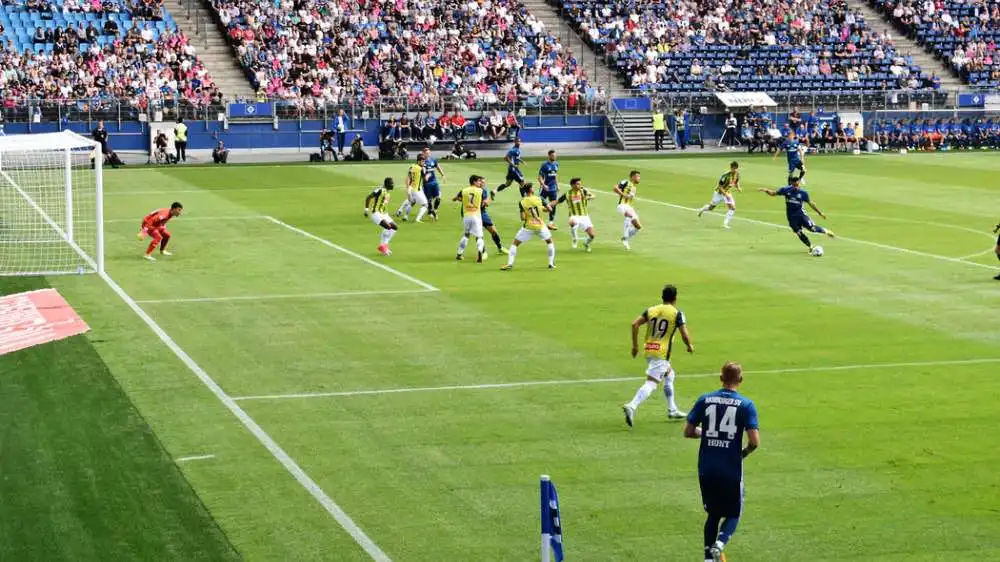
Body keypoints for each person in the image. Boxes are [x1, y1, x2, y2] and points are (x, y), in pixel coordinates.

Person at [684, 362, 759, 562]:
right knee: (735, 511)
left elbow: (688, 432)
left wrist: (706, 433)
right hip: (730, 468)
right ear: (740, 380)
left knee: (713, 514)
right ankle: (720, 543)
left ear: (720, 378)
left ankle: (709, 558)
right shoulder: (746, 405)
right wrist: (743, 453)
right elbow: (754, 441)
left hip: (706, 467)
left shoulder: (705, 399)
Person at [622, 283, 693, 426]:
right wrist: (689, 345)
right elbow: (684, 333)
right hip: (661, 353)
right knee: (652, 383)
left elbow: (635, 324)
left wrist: (635, 346)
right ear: (675, 298)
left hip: (649, 349)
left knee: (670, 374)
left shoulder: (652, 309)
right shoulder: (676, 313)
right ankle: (632, 406)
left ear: (662, 297)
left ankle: (672, 409)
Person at [758, 176, 836, 253]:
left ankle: (826, 231)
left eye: (797, 185)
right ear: (791, 183)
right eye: (794, 185)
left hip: (801, 215)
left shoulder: (803, 193)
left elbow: (811, 203)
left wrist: (820, 213)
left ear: (799, 183)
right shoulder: (785, 190)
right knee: (798, 232)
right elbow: (773, 193)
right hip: (791, 217)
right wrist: (766, 190)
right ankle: (810, 247)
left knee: (812, 229)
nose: (796, 187)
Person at [501, 182, 556, 270]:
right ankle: (551, 264)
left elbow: (522, 218)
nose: (535, 188)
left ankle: (510, 263)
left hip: (528, 227)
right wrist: (541, 209)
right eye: (533, 187)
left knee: (515, 244)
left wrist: (529, 213)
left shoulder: (522, 202)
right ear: (530, 189)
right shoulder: (540, 198)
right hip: (540, 226)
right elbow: (549, 209)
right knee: (549, 242)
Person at [452, 175, 487, 263]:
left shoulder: (464, 190)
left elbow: (457, 198)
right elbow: (485, 202)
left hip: (466, 216)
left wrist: (456, 199)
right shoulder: (481, 191)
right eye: (479, 181)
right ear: (474, 182)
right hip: (476, 216)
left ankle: (459, 254)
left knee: (466, 235)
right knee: (479, 236)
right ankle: (480, 252)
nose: (480, 183)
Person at [697, 161, 742, 229]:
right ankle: (702, 209)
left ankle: (725, 224)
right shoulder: (725, 176)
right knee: (711, 208)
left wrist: (738, 187)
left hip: (727, 193)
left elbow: (736, 182)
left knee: (732, 208)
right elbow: (720, 187)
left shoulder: (737, 174)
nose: (734, 170)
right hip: (719, 193)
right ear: (731, 168)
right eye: (733, 168)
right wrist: (725, 194)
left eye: (735, 168)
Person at [555, 177, 596, 251]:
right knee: (572, 222)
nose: (580, 185)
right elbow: (557, 201)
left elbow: (593, 196)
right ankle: (574, 238)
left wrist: (589, 198)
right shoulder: (567, 194)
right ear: (572, 185)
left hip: (584, 216)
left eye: (580, 184)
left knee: (592, 235)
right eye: (578, 184)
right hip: (574, 215)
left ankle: (586, 244)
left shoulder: (583, 191)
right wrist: (548, 206)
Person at [363, 178, 398, 256]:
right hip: (376, 213)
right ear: (386, 184)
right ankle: (384, 246)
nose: (393, 185)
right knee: (388, 227)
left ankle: (384, 246)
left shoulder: (388, 193)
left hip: (384, 214)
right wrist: (366, 209)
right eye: (391, 183)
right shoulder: (380, 190)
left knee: (394, 227)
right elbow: (369, 197)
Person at [395, 154, 428, 223]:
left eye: (424, 161)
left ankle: (405, 216)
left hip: (411, 188)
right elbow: (425, 179)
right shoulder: (421, 169)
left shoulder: (412, 166)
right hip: (416, 190)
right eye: (422, 161)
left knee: (412, 202)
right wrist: (428, 174)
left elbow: (409, 177)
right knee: (425, 205)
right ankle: (417, 219)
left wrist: (408, 187)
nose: (423, 163)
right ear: (418, 161)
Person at [614, 170, 642, 250]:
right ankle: (626, 238)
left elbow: (630, 198)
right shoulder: (625, 182)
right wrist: (623, 195)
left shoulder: (634, 187)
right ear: (633, 177)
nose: (639, 178)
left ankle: (626, 237)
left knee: (638, 226)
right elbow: (615, 188)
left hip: (629, 206)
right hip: (622, 205)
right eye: (637, 176)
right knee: (629, 215)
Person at [479, 181, 506, 255]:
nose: (483, 183)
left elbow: (484, 203)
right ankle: (483, 252)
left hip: (483, 213)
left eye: (484, 182)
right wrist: (488, 200)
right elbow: (484, 203)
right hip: (475, 214)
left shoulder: (484, 190)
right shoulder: (476, 191)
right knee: (479, 234)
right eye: (481, 182)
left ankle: (500, 248)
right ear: (478, 182)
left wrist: (486, 201)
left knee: (494, 231)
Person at [537, 150, 560, 229]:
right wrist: (544, 185)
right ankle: (536, 220)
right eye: (553, 155)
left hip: (553, 189)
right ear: (549, 156)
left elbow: (555, 175)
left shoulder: (556, 164)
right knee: (538, 203)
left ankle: (551, 223)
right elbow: (539, 177)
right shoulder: (544, 165)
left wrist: (557, 185)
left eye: (555, 155)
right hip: (545, 188)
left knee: (554, 204)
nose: (555, 157)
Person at [421, 147, 445, 220]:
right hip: (427, 184)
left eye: (429, 153)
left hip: (434, 182)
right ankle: (430, 211)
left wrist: (442, 174)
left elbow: (437, 167)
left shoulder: (433, 160)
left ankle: (435, 210)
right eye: (426, 153)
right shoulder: (422, 162)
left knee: (438, 197)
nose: (428, 154)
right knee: (429, 200)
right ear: (423, 153)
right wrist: (425, 176)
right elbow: (421, 172)